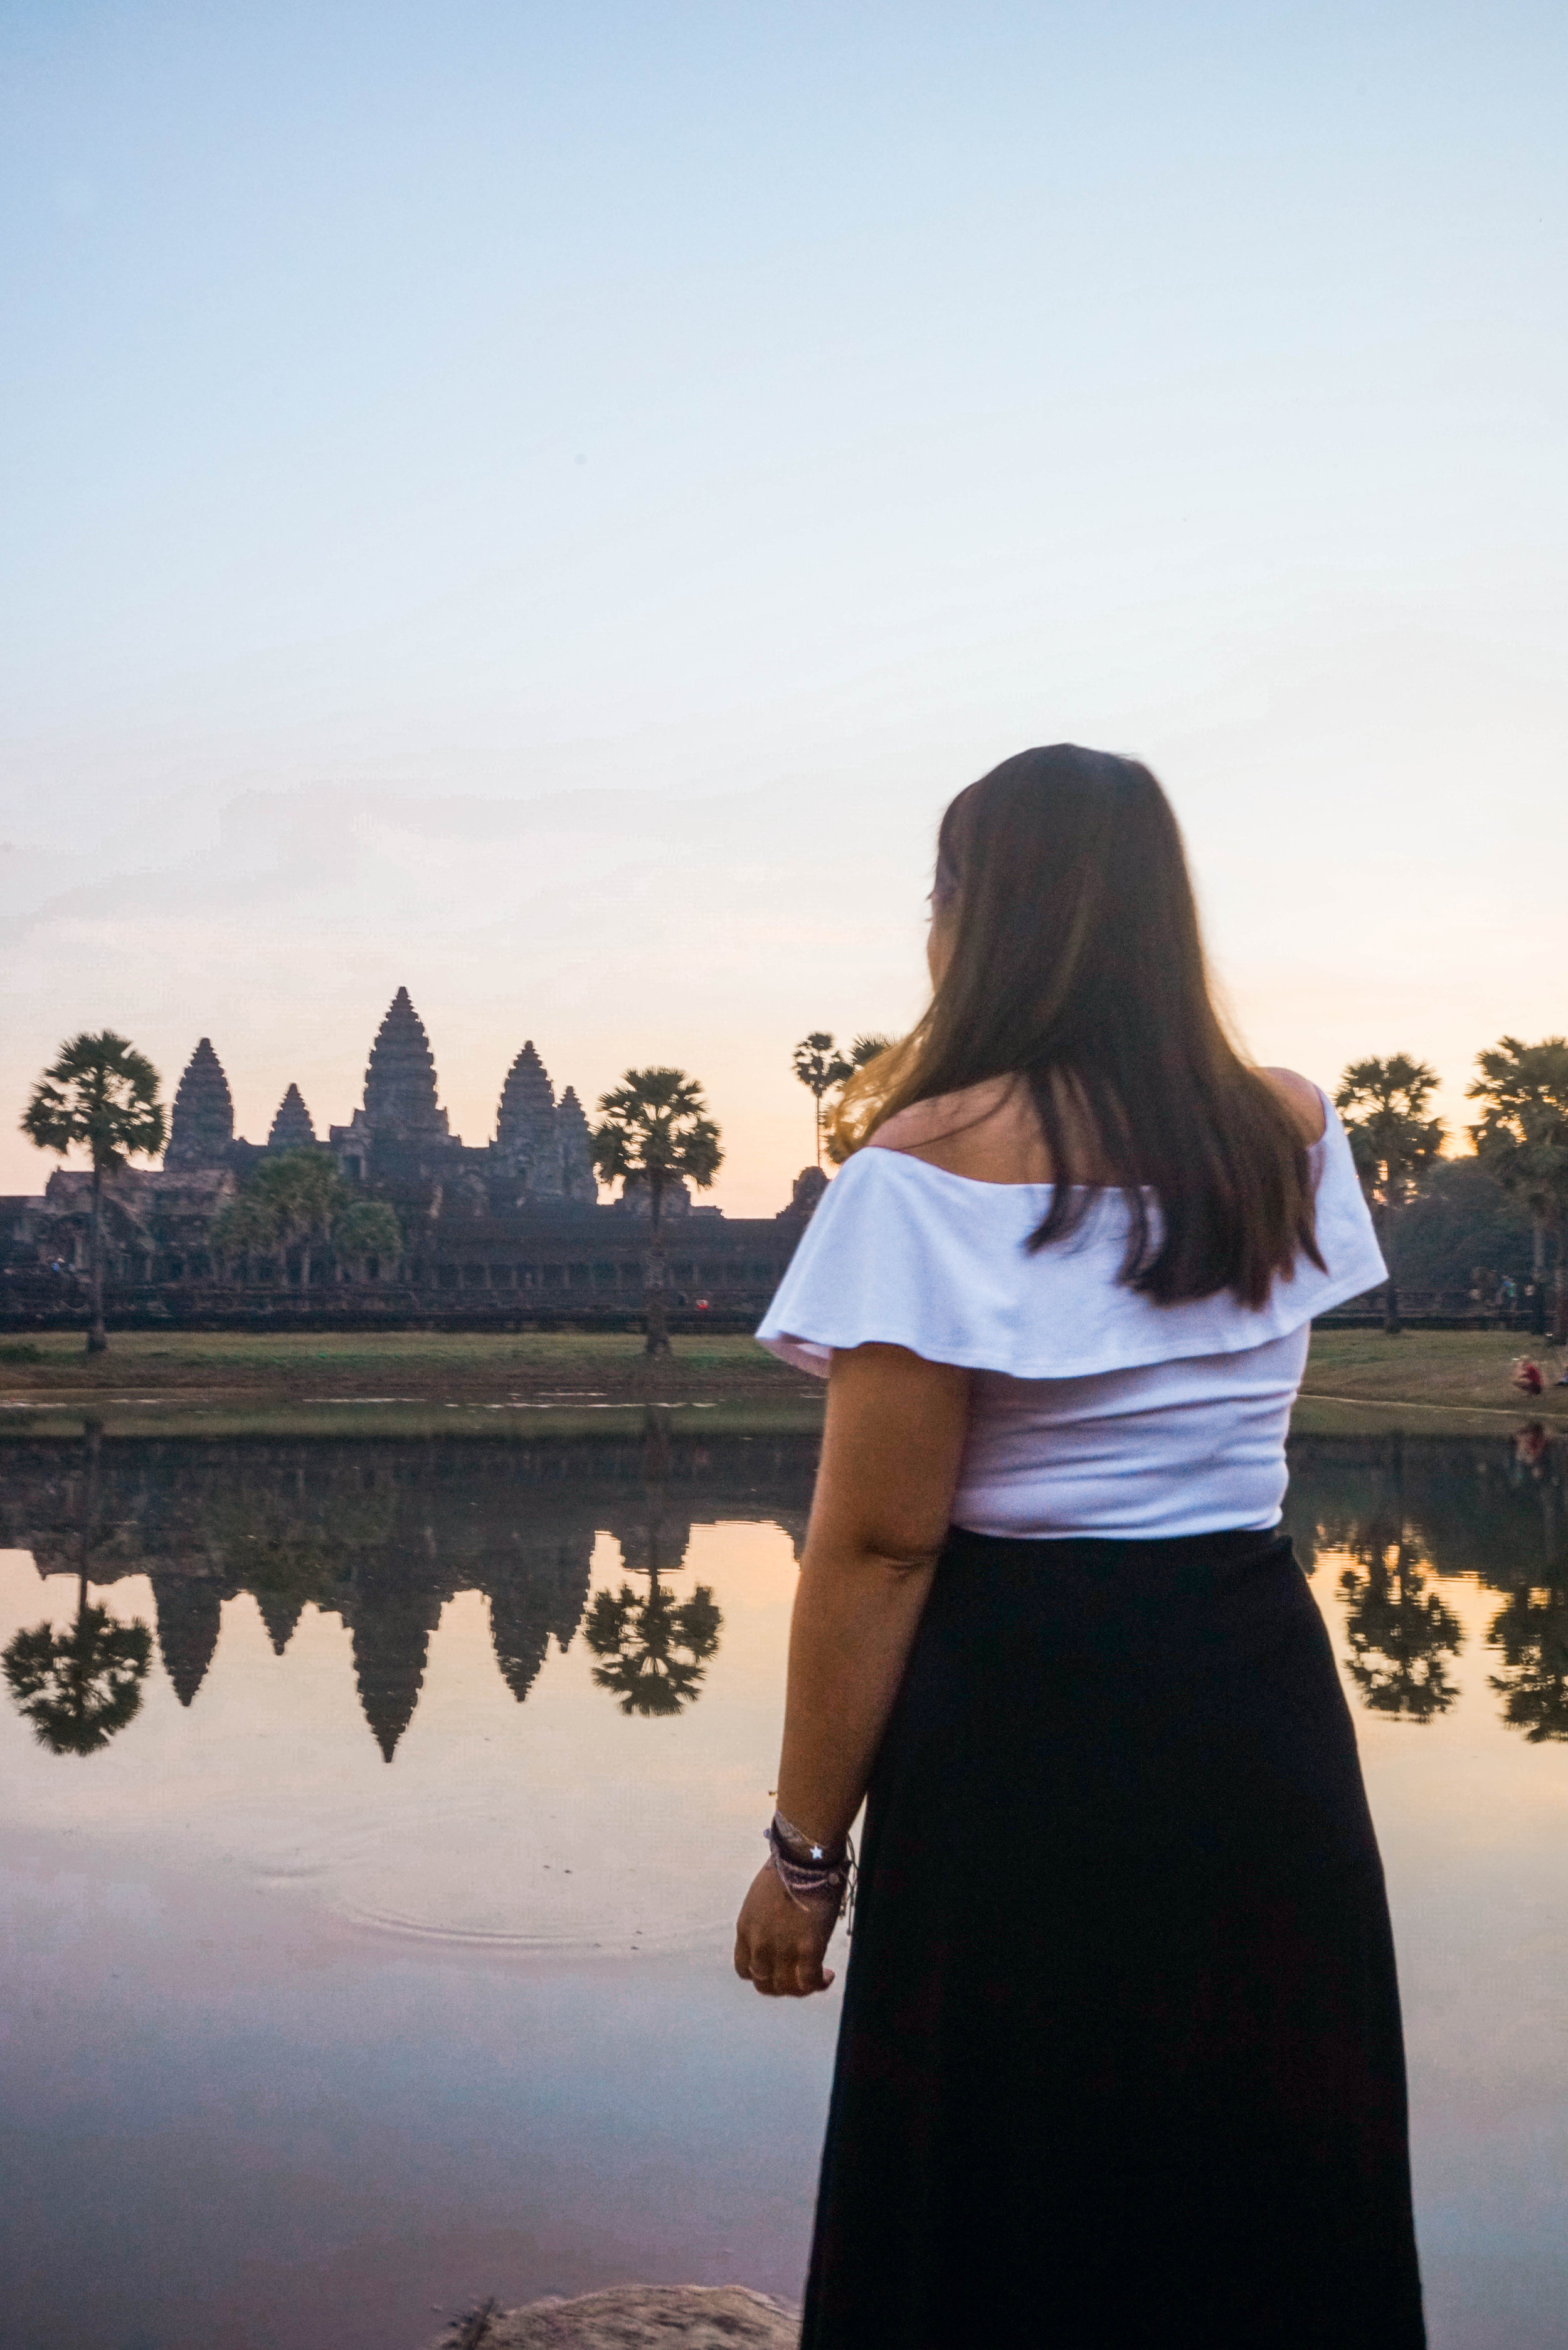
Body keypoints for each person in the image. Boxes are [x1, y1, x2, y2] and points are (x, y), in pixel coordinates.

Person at [736, 746, 1426, 2348]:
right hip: (1250, 1688)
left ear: (978, 917)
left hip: (1021, 1711)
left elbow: (881, 1550)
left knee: (1002, 2164)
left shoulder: (922, 1168)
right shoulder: (1285, 1129)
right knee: (1260, 2134)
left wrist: (802, 1856)